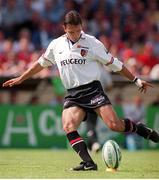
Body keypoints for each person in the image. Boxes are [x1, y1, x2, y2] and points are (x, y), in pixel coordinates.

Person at [2, 10, 159, 171]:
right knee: (68, 125)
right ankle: (89, 163)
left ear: (81, 27)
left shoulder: (92, 43)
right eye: (71, 31)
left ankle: (140, 129)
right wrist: (21, 78)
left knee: (115, 125)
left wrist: (136, 80)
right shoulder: (56, 45)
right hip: (73, 94)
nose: (75, 34)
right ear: (64, 28)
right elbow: (40, 64)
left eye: (78, 31)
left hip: (93, 90)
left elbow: (116, 64)